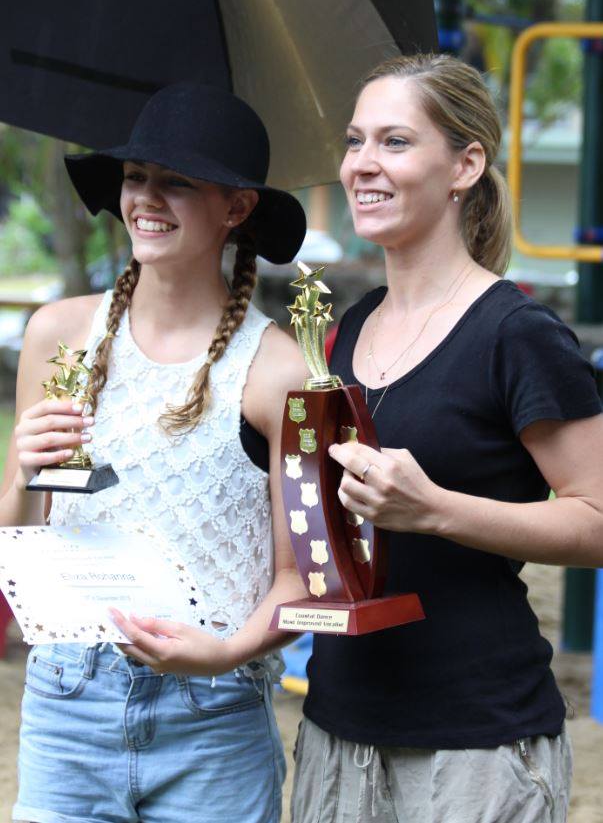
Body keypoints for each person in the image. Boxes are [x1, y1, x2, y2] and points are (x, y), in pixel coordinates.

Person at [291, 54, 603, 823]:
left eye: (394, 141)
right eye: (355, 140)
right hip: (336, 728)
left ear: (464, 165)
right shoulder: (350, 324)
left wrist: (434, 508)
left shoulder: (517, 333)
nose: (362, 163)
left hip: (475, 747)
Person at [0, 82, 308, 823]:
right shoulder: (56, 335)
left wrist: (226, 654)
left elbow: (303, 577)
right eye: (136, 176)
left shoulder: (281, 372)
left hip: (213, 718)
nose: (145, 197)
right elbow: (16, 542)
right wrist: (21, 476)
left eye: (177, 182)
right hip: (67, 705)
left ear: (237, 208)